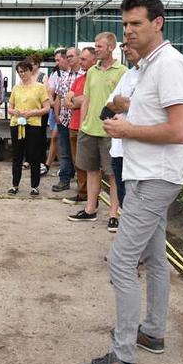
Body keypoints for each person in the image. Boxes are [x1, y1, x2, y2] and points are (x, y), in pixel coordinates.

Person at [74, 0, 183, 364]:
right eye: (125, 25)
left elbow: (180, 130)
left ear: (158, 22)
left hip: (156, 177)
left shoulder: (171, 65)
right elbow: (156, 113)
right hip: (143, 173)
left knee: (121, 261)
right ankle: (153, 332)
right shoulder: (145, 68)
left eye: (136, 24)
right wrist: (129, 108)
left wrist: (128, 129)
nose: (129, 31)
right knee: (156, 258)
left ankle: (122, 358)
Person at [68, 32, 126, 230]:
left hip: (109, 131)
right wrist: (84, 122)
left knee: (112, 174)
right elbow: (87, 99)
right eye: (96, 45)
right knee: (92, 171)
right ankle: (90, 209)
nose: (96, 49)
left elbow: (123, 103)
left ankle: (113, 214)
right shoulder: (92, 71)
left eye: (100, 46)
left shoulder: (122, 71)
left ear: (111, 47)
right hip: (89, 129)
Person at [105, 41, 141, 211]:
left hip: (138, 151)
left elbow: (149, 109)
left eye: (129, 43)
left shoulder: (153, 74)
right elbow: (110, 103)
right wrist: (122, 102)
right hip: (119, 149)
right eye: (123, 45)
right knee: (123, 198)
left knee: (137, 204)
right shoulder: (128, 75)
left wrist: (123, 103)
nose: (125, 48)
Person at [7, 60, 50, 196]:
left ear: (31, 70)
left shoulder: (40, 87)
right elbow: (10, 107)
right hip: (17, 124)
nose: (22, 74)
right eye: (19, 72)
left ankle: (34, 186)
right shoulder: (16, 88)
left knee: (34, 156)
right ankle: (15, 184)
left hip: (33, 124)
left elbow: (47, 108)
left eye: (24, 71)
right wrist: (15, 112)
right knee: (16, 156)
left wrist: (32, 112)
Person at [61, 46, 96, 207]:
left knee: (88, 164)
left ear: (94, 60)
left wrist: (77, 101)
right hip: (73, 124)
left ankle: (89, 195)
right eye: (80, 58)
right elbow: (67, 101)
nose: (80, 62)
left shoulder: (93, 78)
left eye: (83, 59)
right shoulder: (78, 80)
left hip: (88, 125)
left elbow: (87, 100)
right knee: (78, 162)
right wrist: (76, 101)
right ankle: (82, 193)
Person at [52, 47, 85, 194]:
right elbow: (58, 96)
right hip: (65, 119)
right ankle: (64, 179)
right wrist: (57, 115)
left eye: (71, 56)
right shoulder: (64, 76)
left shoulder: (86, 75)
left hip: (80, 120)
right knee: (65, 151)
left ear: (79, 57)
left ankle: (81, 182)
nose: (69, 58)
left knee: (80, 154)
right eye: (67, 56)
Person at [44, 48, 68, 176]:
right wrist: (53, 103)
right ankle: (56, 165)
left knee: (58, 138)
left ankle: (52, 165)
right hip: (56, 111)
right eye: (56, 60)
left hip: (67, 111)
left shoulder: (74, 73)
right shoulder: (56, 74)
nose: (56, 63)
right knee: (57, 138)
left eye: (58, 60)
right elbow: (52, 91)